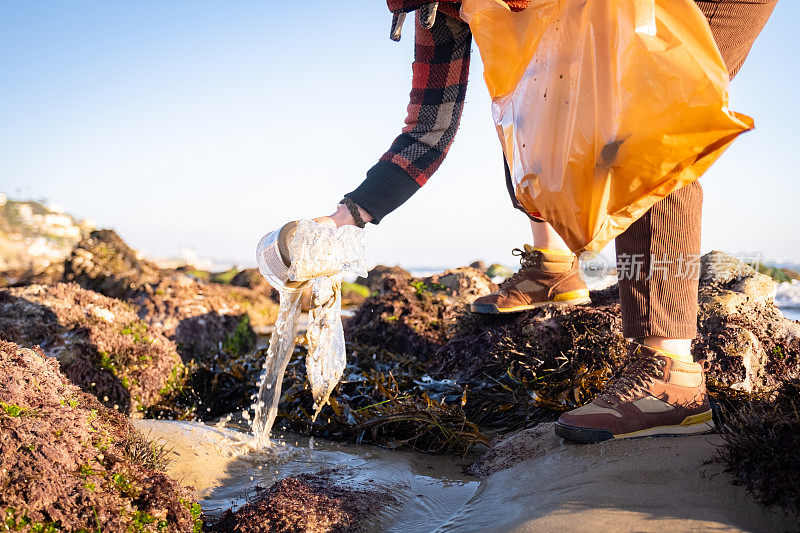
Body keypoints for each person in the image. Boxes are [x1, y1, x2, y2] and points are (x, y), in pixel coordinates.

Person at [313, 0, 778, 443]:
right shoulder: (441, 9)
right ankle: (554, 263)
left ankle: (672, 373)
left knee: (650, 124)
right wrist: (346, 215)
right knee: (526, 97)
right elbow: (428, 129)